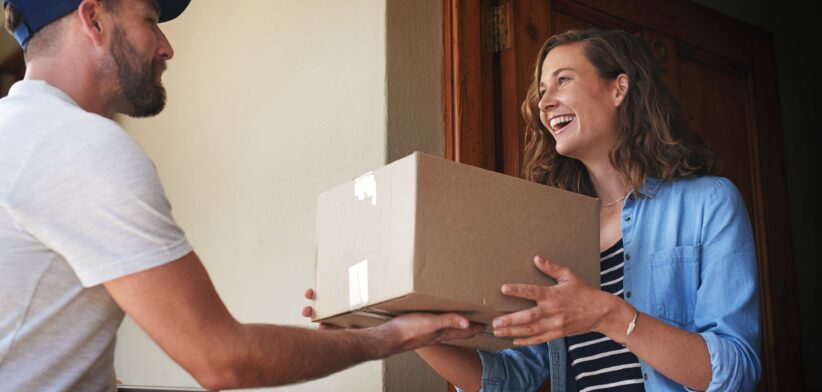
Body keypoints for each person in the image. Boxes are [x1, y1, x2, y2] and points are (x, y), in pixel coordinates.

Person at [0, 1, 480, 391]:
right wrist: (390, 337)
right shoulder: (79, 146)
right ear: (94, 19)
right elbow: (223, 360)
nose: (166, 47)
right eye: (149, 20)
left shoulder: (17, 134)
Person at [412, 29, 762, 391]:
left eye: (563, 80)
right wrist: (410, 331)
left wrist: (608, 315)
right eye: (543, 90)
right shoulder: (551, 233)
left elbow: (735, 371)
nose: (544, 102)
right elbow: (510, 379)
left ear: (618, 88)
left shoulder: (709, 203)